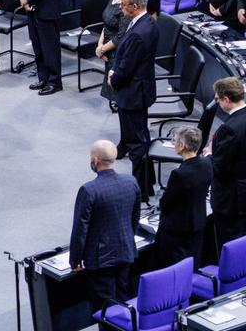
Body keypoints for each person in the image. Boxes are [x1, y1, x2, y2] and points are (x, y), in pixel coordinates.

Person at [69, 140, 141, 313]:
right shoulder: (131, 181)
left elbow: (80, 229)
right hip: (126, 251)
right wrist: (128, 238)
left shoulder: (89, 190)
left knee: (104, 308)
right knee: (124, 302)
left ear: (95, 160)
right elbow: (135, 216)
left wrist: (75, 259)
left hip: (100, 260)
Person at [108, 0, 158, 202]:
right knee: (140, 137)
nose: (120, 7)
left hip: (133, 93)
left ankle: (141, 191)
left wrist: (113, 78)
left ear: (135, 6)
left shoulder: (139, 33)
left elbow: (127, 67)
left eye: (123, 4)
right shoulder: (148, 22)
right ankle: (148, 183)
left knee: (137, 143)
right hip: (139, 89)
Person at [154, 127, 212, 269]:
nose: (173, 143)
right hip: (198, 221)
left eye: (174, 141)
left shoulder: (179, 174)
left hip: (177, 228)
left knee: (174, 267)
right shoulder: (207, 163)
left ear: (182, 145)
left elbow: (166, 202)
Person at [203, 77, 246, 249]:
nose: (218, 103)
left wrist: (209, 154)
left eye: (218, 99)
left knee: (230, 243)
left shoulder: (229, 129)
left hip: (232, 199)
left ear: (226, 99)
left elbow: (219, 166)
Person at [95, 0, 136, 141]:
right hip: (107, 48)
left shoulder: (126, 5)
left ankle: (127, 138)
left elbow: (121, 36)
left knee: (121, 96)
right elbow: (106, 24)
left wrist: (103, 49)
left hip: (118, 53)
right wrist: (100, 45)